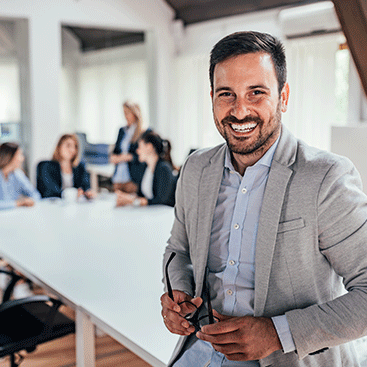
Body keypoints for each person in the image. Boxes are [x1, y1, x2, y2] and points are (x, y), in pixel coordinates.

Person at [160, 31, 367, 367]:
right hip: (199, 350)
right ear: (212, 97)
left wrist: (276, 332)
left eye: (256, 93)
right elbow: (178, 250)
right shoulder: (196, 168)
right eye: (227, 94)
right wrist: (178, 295)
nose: (240, 111)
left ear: (283, 97)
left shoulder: (326, 177)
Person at [116, 131, 177, 207]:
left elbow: (162, 201)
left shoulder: (164, 168)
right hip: (150, 213)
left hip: (163, 213)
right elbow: (142, 195)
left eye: (139, 147)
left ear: (149, 147)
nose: (137, 151)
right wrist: (127, 198)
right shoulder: (145, 168)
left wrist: (134, 201)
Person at [37, 134, 95, 199]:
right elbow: (48, 191)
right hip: (52, 205)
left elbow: (85, 187)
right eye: (68, 145)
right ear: (59, 147)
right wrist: (73, 194)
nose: (72, 150)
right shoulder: (45, 166)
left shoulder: (80, 167)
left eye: (75, 147)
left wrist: (88, 193)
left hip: (75, 206)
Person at [110, 100, 146, 193]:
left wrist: (127, 157)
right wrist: (120, 157)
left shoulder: (142, 132)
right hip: (118, 178)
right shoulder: (122, 131)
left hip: (132, 178)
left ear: (134, 114)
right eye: (124, 113)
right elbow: (115, 152)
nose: (125, 116)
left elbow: (141, 156)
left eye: (127, 113)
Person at [0, 142, 41, 210]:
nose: (22, 159)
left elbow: (35, 194)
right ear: (9, 156)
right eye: (20, 155)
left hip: (13, 214)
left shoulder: (18, 174)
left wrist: (30, 200)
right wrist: (17, 203)